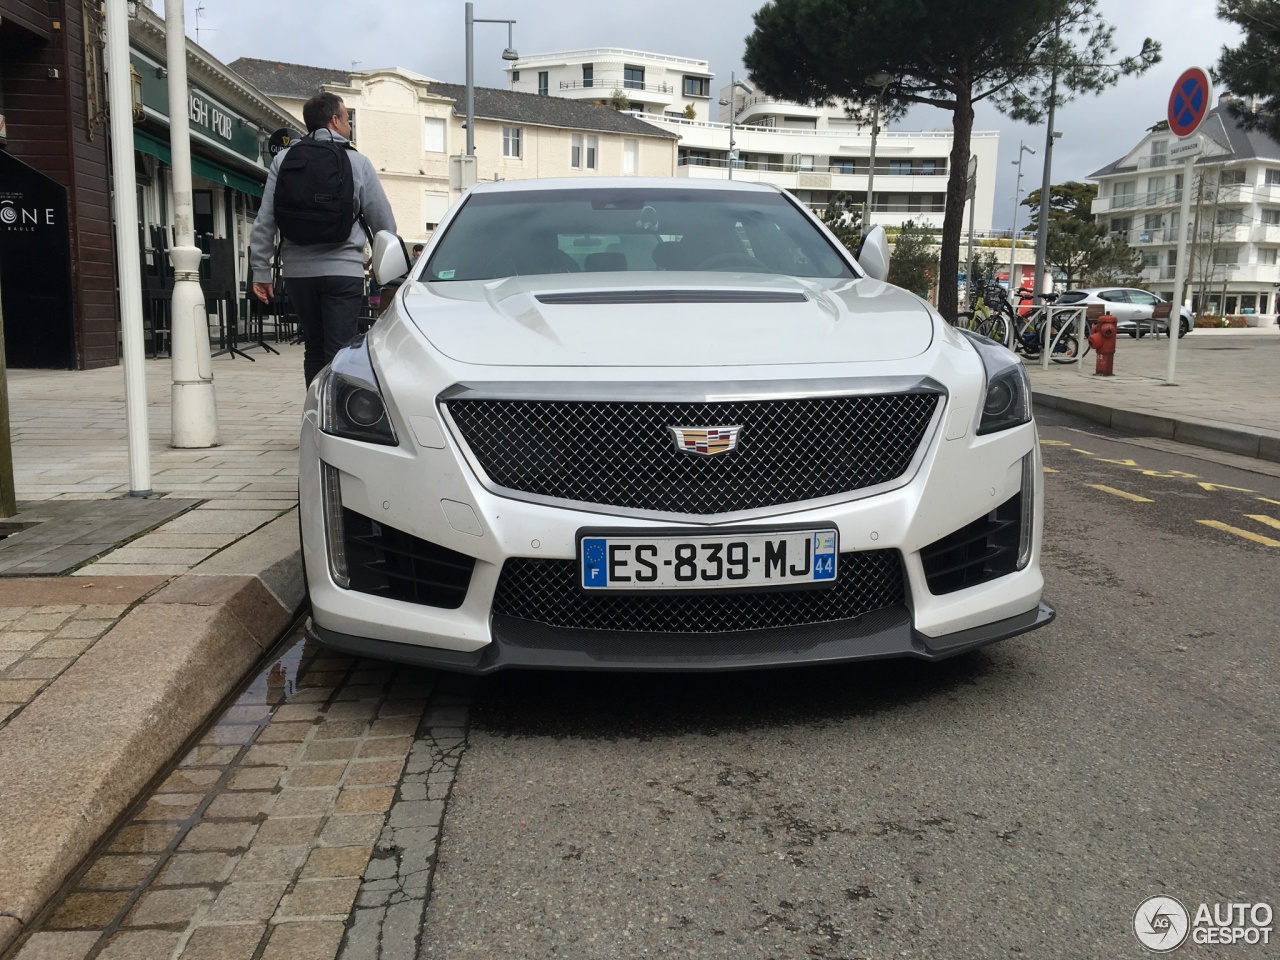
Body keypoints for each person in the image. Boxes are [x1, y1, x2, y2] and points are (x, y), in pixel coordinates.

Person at [250, 92, 396, 385]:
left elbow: (266, 219)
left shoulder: (284, 158)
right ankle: (335, 421)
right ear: (335, 120)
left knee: (314, 349)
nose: (349, 125)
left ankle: (315, 415)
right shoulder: (357, 162)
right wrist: (391, 270)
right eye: (347, 118)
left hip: (298, 274)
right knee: (340, 352)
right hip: (343, 271)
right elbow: (384, 223)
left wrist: (261, 270)